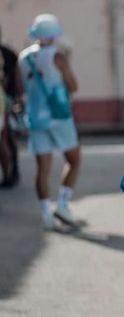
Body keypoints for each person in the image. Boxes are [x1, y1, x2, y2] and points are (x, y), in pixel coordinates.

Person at [18, 14, 82, 230]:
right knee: (73, 160)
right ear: (54, 36)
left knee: (42, 169)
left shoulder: (23, 58)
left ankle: (46, 212)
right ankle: (63, 204)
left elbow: (21, 90)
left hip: (35, 118)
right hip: (58, 115)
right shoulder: (58, 56)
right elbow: (73, 86)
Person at [0, 25, 22, 187]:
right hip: (7, 100)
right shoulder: (9, 54)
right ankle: (11, 172)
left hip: (4, 101)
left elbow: (12, 80)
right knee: (7, 138)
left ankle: (10, 173)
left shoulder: (7, 54)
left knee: (5, 138)